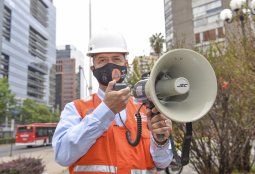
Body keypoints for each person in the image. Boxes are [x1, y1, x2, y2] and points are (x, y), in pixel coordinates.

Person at [52, 29, 173, 174]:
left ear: (126, 65)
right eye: (102, 60)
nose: (110, 65)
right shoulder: (76, 108)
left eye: (116, 59)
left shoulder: (145, 108)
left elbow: (163, 162)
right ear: (93, 68)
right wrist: (105, 110)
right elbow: (62, 156)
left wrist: (161, 142)